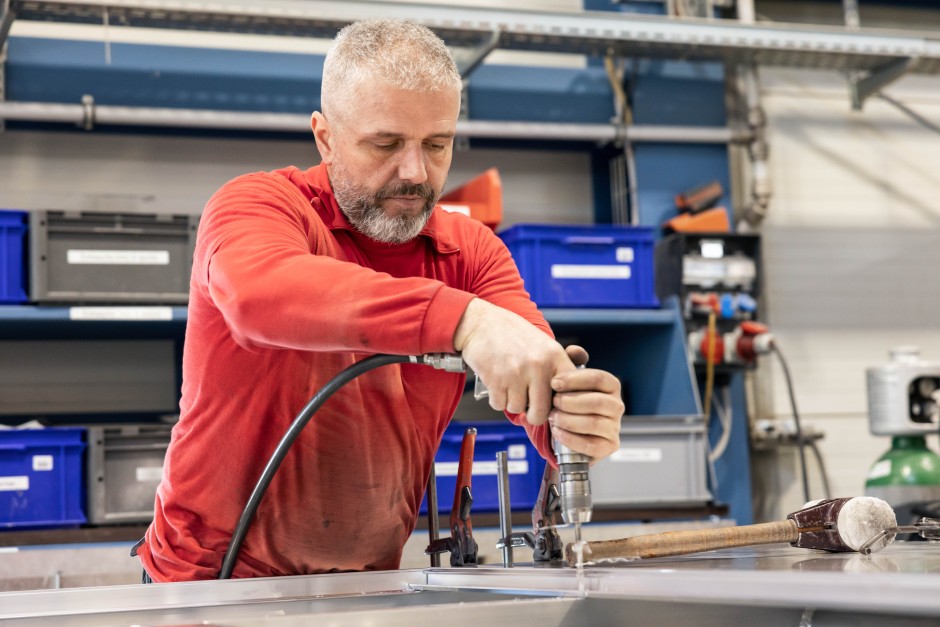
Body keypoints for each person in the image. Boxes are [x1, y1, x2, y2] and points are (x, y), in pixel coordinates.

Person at [135, 18, 624, 582]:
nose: (414, 173)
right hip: (209, 584)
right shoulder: (260, 206)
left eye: (437, 145)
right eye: (385, 144)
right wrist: (463, 320)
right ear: (325, 138)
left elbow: (532, 370)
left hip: (367, 584)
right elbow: (258, 293)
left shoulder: (470, 252)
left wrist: (572, 416)